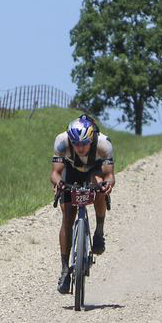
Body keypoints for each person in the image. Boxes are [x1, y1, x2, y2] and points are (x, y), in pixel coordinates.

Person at [51, 114, 115, 294]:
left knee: (100, 187)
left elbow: (109, 175)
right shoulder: (61, 142)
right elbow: (55, 173)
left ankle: (99, 232)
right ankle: (65, 270)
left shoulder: (103, 144)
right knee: (67, 218)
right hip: (70, 172)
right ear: (70, 139)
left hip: (94, 170)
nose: (80, 148)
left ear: (92, 138)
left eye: (84, 143)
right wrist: (58, 184)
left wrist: (107, 185)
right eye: (76, 143)